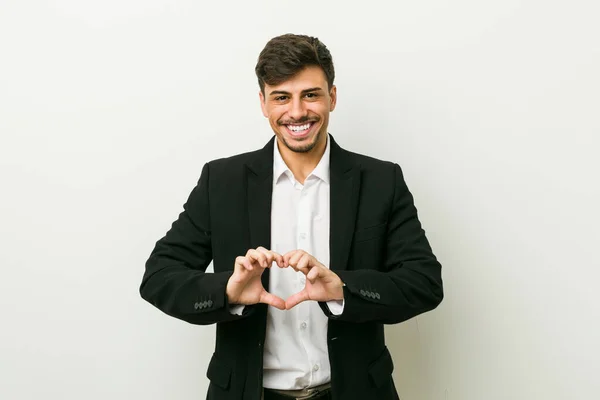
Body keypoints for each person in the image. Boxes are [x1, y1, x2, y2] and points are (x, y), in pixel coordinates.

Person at [140, 33, 443, 400]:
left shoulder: (381, 181)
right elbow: (159, 276)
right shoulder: (222, 182)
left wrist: (342, 289)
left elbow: (424, 282)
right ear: (263, 103)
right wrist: (228, 291)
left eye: (310, 94)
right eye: (282, 97)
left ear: (332, 96)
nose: (297, 112)